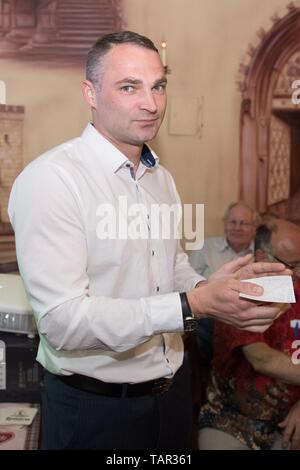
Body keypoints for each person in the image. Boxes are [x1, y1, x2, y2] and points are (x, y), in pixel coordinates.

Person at [8, 31, 288, 450]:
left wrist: (216, 292)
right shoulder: (53, 180)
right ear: (90, 92)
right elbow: (63, 322)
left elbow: (171, 268)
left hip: (173, 396)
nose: (151, 103)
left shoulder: (161, 179)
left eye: (158, 85)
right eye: (128, 87)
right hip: (95, 410)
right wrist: (192, 305)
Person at [198, 217, 300, 450]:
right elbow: (262, 359)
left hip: (290, 417)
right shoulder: (238, 292)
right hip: (232, 421)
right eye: (294, 265)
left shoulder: (297, 286)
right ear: (264, 258)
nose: (299, 272)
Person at [188, 202, 259, 364]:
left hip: (249, 318)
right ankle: (213, 375)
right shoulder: (205, 247)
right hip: (211, 319)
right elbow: (189, 284)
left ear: (255, 227)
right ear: (225, 224)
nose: (237, 228)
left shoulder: (262, 252)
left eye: (244, 223)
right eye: (232, 222)